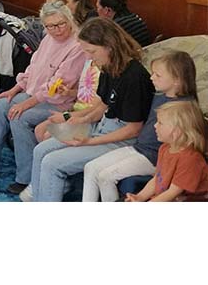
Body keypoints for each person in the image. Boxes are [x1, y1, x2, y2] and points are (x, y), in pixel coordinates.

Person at [0, 1, 88, 195]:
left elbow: (56, 86)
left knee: (19, 116)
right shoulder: (48, 39)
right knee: (2, 103)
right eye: (50, 26)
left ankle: (27, 178)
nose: (56, 30)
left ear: (69, 20)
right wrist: (14, 90)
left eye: (60, 24)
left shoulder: (77, 46)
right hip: (35, 95)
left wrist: (26, 103)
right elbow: (32, 69)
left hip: (59, 102)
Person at [27, 17, 155, 202]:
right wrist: (77, 120)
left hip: (121, 138)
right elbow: (103, 105)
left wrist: (90, 141)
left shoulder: (135, 77)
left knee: (52, 162)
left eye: (91, 51)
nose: (88, 57)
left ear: (109, 46)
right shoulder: (109, 67)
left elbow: (133, 129)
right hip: (101, 127)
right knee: (41, 150)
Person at [83, 51, 198, 201]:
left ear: (177, 80)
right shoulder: (159, 95)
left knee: (106, 176)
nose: (151, 78)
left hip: (155, 156)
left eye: (158, 75)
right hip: (139, 147)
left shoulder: (183, 107)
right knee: (90, 167)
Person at [125, 100, 208, 202]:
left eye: (160, 123)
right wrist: (140, 197)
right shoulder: (165, 148)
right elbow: (157, 179)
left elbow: (172, 193)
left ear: (177, 131)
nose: (155, 125)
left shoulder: (190, 160)